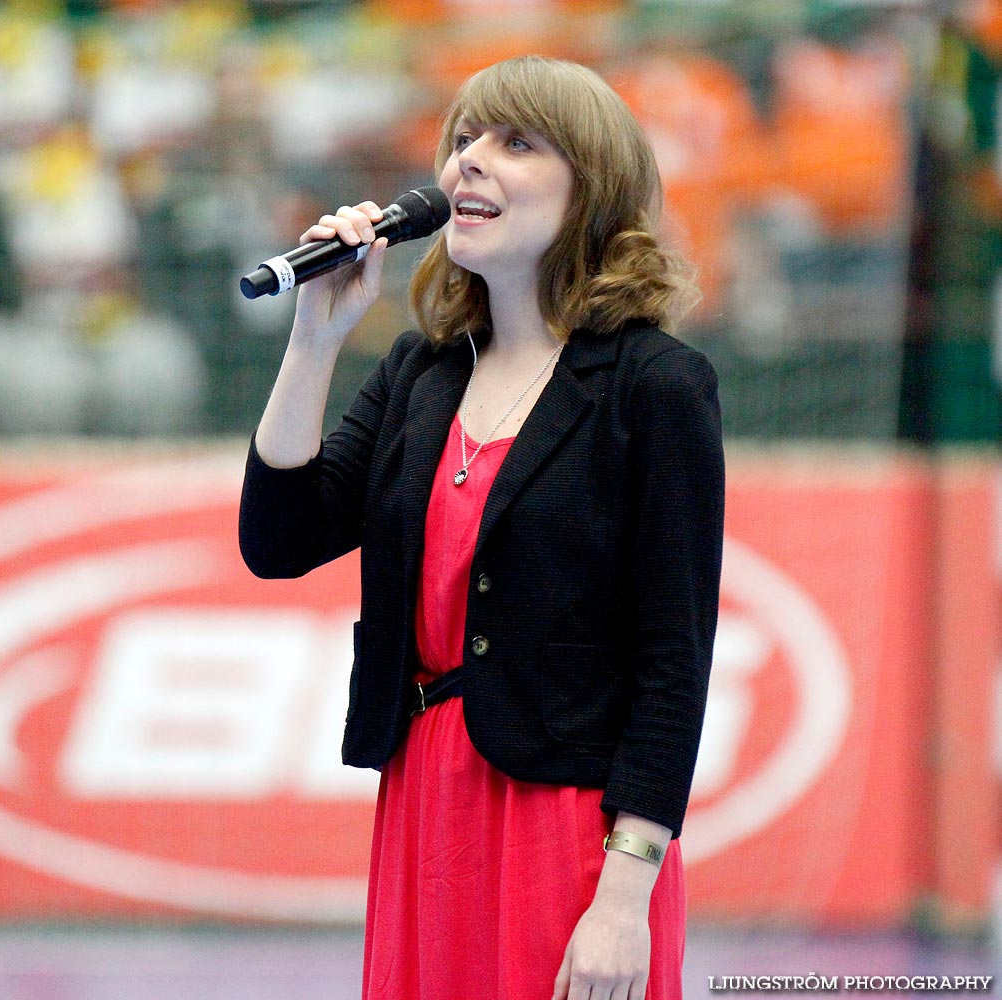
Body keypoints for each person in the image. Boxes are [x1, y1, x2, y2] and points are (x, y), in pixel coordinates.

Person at [239, 55, 725, 1000]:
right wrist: (315, 339)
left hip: (567, 821)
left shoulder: (654, 387)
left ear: (591, 188)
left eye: (514, 143)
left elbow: (676, 658)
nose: (469, 163)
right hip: (425, 801)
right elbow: (278, 540)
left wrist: (623, 897)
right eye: (462, 141)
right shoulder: (423, 376)